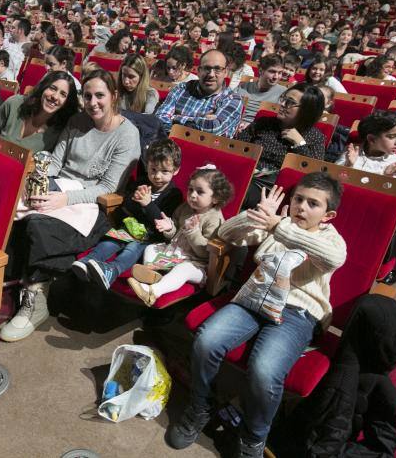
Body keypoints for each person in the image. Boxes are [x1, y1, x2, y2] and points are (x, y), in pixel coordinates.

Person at [166, 174, 347, 457]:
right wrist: (256, 216)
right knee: (207, 340)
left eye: (313, 204)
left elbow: (333, 259)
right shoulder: (275, 223)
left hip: (297, 311)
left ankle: (253, 437)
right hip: (254, 299)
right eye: (298, 199)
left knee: (264, 371)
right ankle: (200, 407)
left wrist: (281, 227)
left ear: (328, 215)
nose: (301, 207)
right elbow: (225, 234)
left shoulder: (329, 239)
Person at [0, 69, 141, 342]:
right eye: (87, 96)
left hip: (93, 204)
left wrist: (64, 198)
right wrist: (39, 181)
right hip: (61, 187)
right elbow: (56, 163)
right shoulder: (77, 120)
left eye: (100, 95)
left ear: (114, 96)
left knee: (38, 223)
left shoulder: (127, 135)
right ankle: (6, 276)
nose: (93, 102)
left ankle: (36, 297)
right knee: (17, 202)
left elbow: (108, 188)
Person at [71, 139, 184, 289]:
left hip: (150, 238)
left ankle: (112, 270)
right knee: (110, 241)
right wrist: (135, 199)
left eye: (164, 172)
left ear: (175, 170)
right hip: (129, 228)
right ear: (147, 166)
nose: (157, 176)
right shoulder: (141, 183)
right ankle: (88, 261)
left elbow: (161, 222)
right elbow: (126, 206)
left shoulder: (174, 195)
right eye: (153, 170)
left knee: (132, 249)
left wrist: (147, 204)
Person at [127, 166, 233, 306]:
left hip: (196, 264)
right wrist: (169, 227)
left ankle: (153, 291)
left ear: (215, 198)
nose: (192, 195)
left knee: (183, 269)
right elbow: (174, 232)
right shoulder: (185, 207)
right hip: (173, 254)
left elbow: (205, 254)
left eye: (200, 192)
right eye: (190, 190)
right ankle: (153, 273)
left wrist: (193, 232)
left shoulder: (214, 219)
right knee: (151, 248)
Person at [237, 83, 326, 207]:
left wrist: (299, 143)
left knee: (236, 190)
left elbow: (314, 174)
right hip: (245, 174)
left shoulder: (315, 137)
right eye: (283, 99)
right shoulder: (264, 123)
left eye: (290, 102)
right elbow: (237, 148)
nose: (282, 104)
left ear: (306, 110)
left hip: (271, 189)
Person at [156, 49, 244, 137]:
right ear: (199, 71)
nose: (211, 74)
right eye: (207, 68)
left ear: (226, 72)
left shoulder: (233, 99)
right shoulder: (182, 88)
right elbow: (159, 119)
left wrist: (174, 117)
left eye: (217, 69)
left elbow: (213, 128)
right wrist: (201, 118)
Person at [0, 70, 78, 153]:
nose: (55, 97)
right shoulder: (14, 104)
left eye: (63, 94)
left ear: (67, 102)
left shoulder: (58, 133)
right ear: (43, 88)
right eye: (53, 88)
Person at [337, 111, 396, 178]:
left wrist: (386, 175)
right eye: (392, 137)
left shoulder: (395, 162)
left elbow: (390, 190)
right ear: (372, 139)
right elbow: (334, 179)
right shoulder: (352, 152)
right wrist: (349, 166)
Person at [237, 55, 287, 123]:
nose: (276, 77)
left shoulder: (284, 94)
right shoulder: (243, 87)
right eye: (272, 72)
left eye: (280, 73)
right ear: (261, 71)